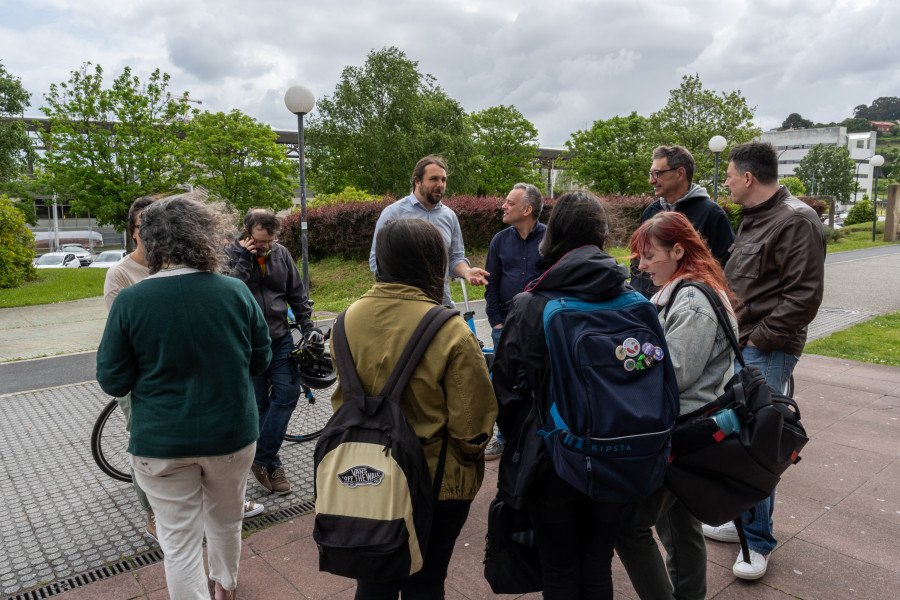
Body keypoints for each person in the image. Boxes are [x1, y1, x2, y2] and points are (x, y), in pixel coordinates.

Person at [97, 194, 272, 600]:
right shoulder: (234, 292)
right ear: (204, 236)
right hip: (231, 434)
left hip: (160, 441)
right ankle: (225, 586)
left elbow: (112, 379)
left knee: (178, 543)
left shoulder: (130, 301)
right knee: (227, 521)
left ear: (151, 241)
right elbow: (260, 359)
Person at [334, 218, 496, 599]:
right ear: (433, 262)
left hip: (363, 474)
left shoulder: (346, 319)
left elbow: (342, 400)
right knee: (426, 579)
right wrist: (472, 456)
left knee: (373, 578)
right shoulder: (449, 329)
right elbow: (472, 425)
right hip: (434, 479)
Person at [492, 191, 629, 600]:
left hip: (552, 455)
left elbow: (504, 387)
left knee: (558, 568)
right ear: (603, 235)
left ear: (552, 238)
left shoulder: (530, 304)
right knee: (598, 563)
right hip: (619, 453)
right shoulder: (633, 299)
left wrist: (525, 436)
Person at [702, 141, 826, 580]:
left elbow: (803, 299)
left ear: (748, 178)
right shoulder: (757, 218)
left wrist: (756, 343)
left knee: (758, 443)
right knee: (740, 437)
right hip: (746, 346)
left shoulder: (795, 221)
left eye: (730, 176)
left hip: (765, 350)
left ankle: (757, 541)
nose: (727, 183)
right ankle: (743, 524)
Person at [615, 211, 740, 600]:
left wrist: (628, 361)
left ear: (679, 250)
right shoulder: (687, 290)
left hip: (683, 431)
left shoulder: (691, 299)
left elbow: (677, 371)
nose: (642, 264)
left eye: (650, 255)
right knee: (679, 526)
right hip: (691, 430)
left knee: (630, 527)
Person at [225, 208, 321, 496]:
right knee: (260, 408)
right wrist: (244, 258)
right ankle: (272, 463)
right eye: (261, 241)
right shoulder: (230, 255)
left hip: (279, 339)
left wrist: (308, 326)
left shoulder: (281, 253)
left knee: (288, 394)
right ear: (247, 234)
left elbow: (296, 293)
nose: (267, 246)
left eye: (271, 240)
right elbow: (230, 293)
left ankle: (258, 458)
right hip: (247, 344)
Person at [369, 155, 489, 306]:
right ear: (417, 181)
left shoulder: (449, 216)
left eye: (443, 180)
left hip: (441, 304)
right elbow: (376, 261)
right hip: (404, 305)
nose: (440, 184)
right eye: (434, 179)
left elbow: (455, 258)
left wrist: (466, 272)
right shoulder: (393, 213)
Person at [482, 182, 546, 461]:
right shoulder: (499, 240)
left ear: (527, 209)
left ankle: (539, 436)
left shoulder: (550, 240)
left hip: (541, 324)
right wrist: (495, 320)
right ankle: (503, 437)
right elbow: (491, 282)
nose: (503, 206)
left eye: (509, 202)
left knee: (540, 380)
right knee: (503, 385)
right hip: (505, 325)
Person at [631, 145, 735, 298]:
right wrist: (638, 297)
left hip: (689, 308)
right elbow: (637, 261)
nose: (651, 181)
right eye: (651, 174)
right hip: (648, 307)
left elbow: (725, 268)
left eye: (657, 174)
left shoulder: (712, 214)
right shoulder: (651, 212)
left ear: (680, 173)